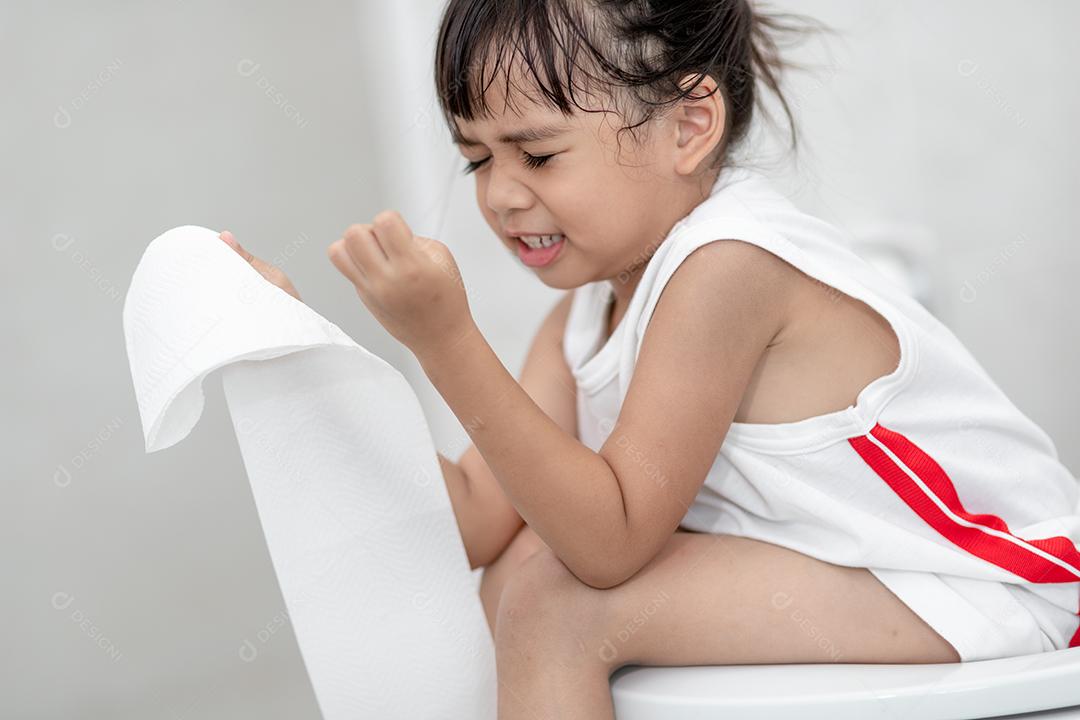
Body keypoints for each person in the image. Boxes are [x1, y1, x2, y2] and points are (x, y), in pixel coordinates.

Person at [223, 1, 1080, 716]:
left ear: (690, 126)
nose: (501, 193)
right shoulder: (584, 314)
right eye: (476, 159)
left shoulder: (728, 268)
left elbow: (611, 543)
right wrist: (300, 361)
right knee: (517, 571)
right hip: (867, 577)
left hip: (993, 579)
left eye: (538, 153)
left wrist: (445, 340)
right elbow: (480, 518)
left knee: (557, 605)